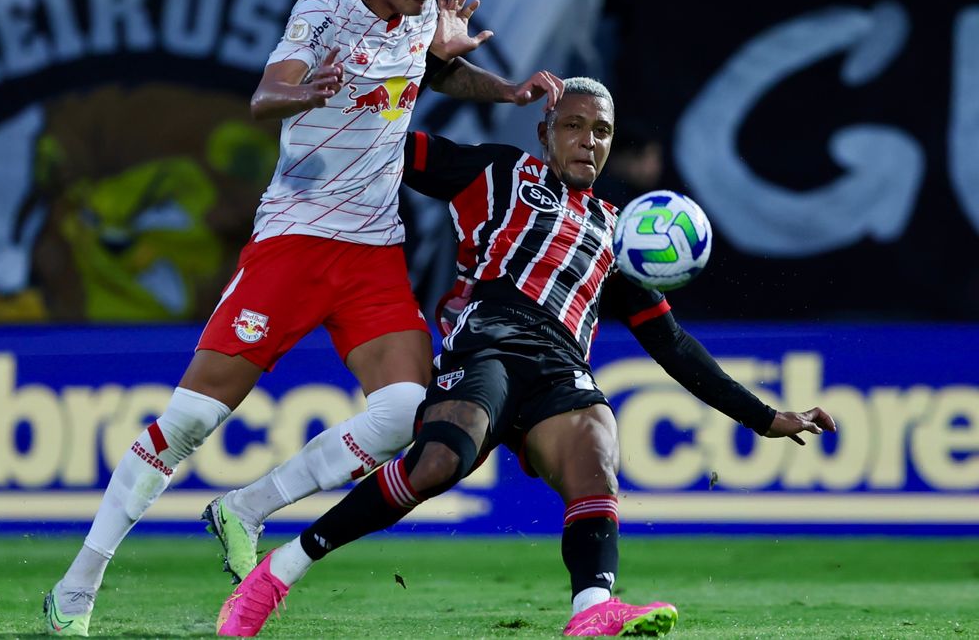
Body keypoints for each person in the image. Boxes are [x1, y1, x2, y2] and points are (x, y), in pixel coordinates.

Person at [43, 0, 564, 635]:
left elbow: (434, 73)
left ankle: (245, 507)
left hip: (373, 254)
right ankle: (77, 586)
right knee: (189, 420)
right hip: (295, 242)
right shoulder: (324, 8)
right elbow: (266, 94)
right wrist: (308, 90)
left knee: (405, 412)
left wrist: (501, 89)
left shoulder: (419, 15)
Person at [214, 77, 837, 638]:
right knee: (437, 464)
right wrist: (398, 75)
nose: (587, 141)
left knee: (597, 442)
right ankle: (277, 573)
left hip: (559, 366)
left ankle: (591, 610)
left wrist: (765, 417)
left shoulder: (620, 235)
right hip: (487, 337)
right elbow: (389, 144)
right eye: (573, 125)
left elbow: (670, 344)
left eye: (601, 131)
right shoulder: (497, 172)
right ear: (545, 132)